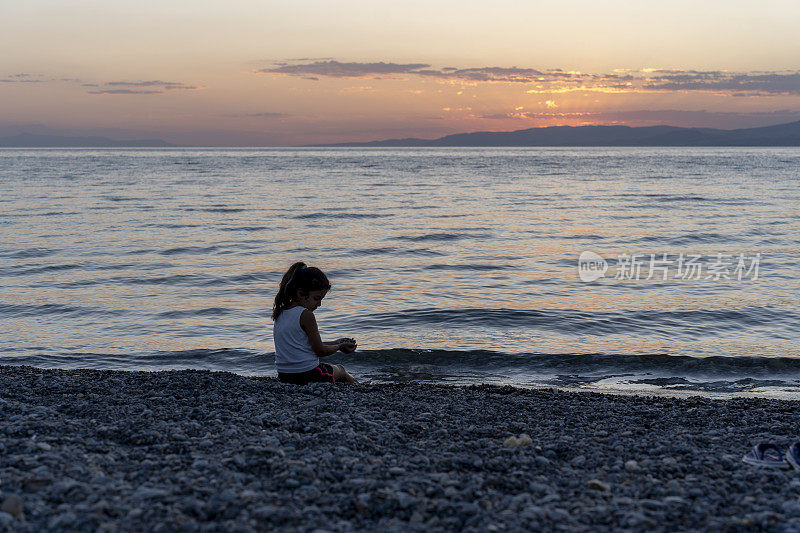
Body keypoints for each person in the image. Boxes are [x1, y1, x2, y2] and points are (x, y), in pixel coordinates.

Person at [272, 261, 358, 384]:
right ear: (301, 293)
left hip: (285, 376)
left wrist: (336, 342)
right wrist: (339, 347)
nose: (319, 304)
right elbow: (320, 351)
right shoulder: (306, 315)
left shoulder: (280, 312)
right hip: (310, 375)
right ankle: (359, 386)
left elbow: (305, 346)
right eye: (316, 298)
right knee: (341, 369)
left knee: (332, 371)